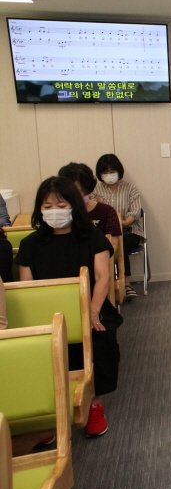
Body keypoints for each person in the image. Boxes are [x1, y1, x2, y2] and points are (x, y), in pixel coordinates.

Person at [16, 176, 119, 438]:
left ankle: (94, 404)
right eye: (47, 206)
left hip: (91, 307)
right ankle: (49, 413)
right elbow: (27, 288)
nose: (54, 211)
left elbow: (102, 277)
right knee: (36, 348)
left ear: (73, 206)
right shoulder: (30, 244)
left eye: (61, 205)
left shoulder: (93, 237)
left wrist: (92, 312)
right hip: (47, 314)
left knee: (100, 337)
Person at [94, 153, 144, 299]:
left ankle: (126, 284)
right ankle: (104, 285)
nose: (109, 175)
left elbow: (135, 212)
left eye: (112, 172)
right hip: (104, 233)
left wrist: (122, 223)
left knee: (121, 243)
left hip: (129, 231)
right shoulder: (95, 191)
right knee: (100, 245)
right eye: (105, 172)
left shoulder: (130, 188)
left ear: (119, 171)